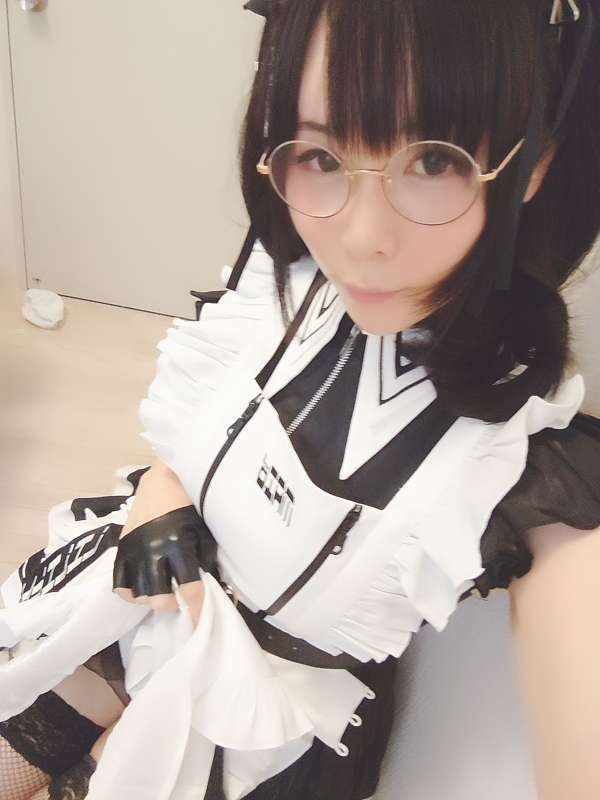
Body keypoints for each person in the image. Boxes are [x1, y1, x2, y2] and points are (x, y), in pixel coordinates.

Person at [2, 0, 600, 798]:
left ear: (532, 167)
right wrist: (164, 489)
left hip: (262, 735)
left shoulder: (530, 458)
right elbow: (209, 406)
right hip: (146, 594)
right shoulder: (282, 279)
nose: (359, 237)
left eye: (434, 162)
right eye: (322, 154)